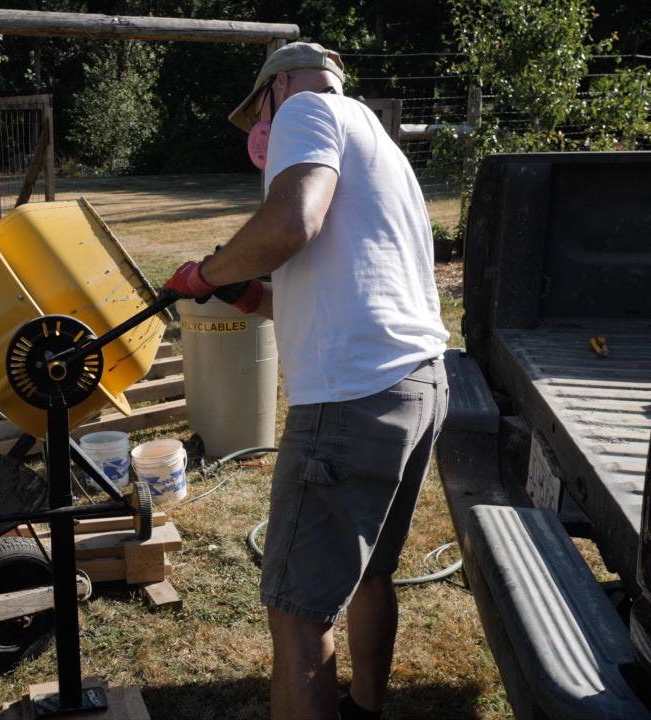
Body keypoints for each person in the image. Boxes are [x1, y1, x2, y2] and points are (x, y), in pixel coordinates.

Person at [162, 42, 450, 720]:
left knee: (297, 614)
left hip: (350, 401)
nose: (262, 129)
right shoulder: (380, 142)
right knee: (372, 572)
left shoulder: (305, 109)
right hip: (419, 383)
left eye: (259, 113)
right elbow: (341, 283)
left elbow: (294, 221)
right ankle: (365, 708)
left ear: (277, 86)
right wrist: (246, 294)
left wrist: (208, 272)